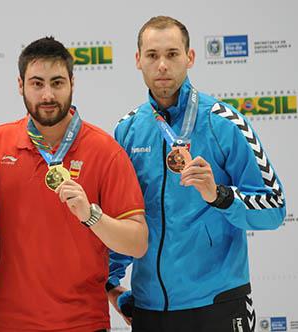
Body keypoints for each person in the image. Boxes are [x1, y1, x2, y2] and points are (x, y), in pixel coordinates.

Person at [107, 16, 286, 332]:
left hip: (217, 303)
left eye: (172, 54)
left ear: (189, 57)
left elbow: (273, 208)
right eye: (152, 55)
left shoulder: (225, 123)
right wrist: (110, 281)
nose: (162, 65)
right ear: (138, 61)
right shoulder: (127, 130)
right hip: (150, 309)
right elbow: (120, 216)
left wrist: (219, 195)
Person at [0, 36, 148, 332]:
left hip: (82, 323)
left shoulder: (104, 151)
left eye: (57, 83)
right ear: (20, 85)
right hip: (6, 324)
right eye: (37, 83)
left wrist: (90, 215)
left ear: (72, 82)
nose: (47, 95)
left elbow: (137, 242)